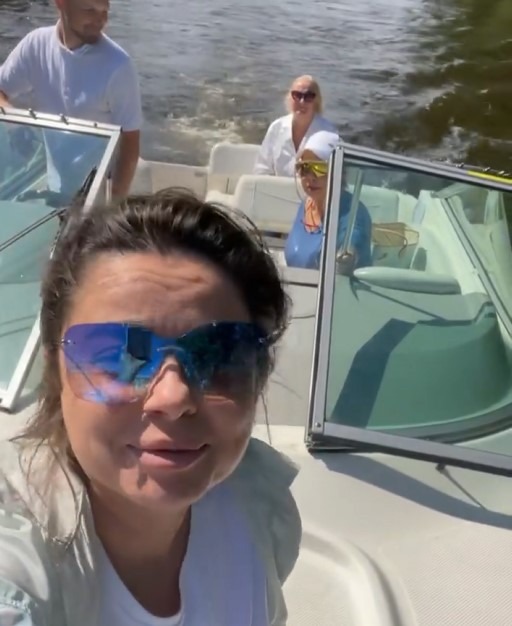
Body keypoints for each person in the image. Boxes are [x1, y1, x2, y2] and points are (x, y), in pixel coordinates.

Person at [0, 190, 301, 625]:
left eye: (218, 353)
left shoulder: (260, 506)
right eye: (120, 354)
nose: (173, 398)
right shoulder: (16, 565)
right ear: (54, 369)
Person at [0, 0, 142, 200]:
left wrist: (113, 205)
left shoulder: (118, 66)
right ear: (61, 3)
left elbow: (130, 145)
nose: (100, 20)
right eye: (89, 10)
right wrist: (13, 124)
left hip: (98, 194)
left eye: (104, 11)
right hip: (54, 185)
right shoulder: (35, 45)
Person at [285, 130, 373, 272]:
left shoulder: (353, 216)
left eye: (320, 168)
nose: (311, 177)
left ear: (340, 172)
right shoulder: (307, 204)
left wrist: (350, 256)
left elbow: (350, 257)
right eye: (304, 168)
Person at [253, 75, 337, 177]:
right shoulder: (276, 127)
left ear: (317, 101)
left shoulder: (329, 133)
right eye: (297, 95)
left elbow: (333, 176)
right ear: (289, 98)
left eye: (308, 97)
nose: (302, 101)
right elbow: (262, 169)